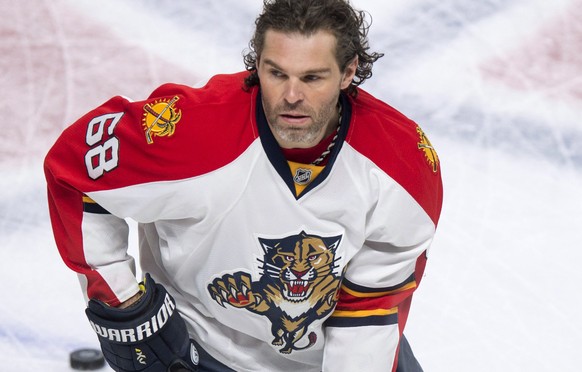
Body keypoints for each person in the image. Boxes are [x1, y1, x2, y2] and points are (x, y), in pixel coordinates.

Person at [44, 0, 443, 371]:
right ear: (258, 66)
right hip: (204, 351)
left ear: (349, 72)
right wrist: (122, 303)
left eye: (312, 78)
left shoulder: (402, 167)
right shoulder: (192, 133)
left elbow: (369, 312)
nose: (291, 96)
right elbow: (74, 168)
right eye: (276, 73)